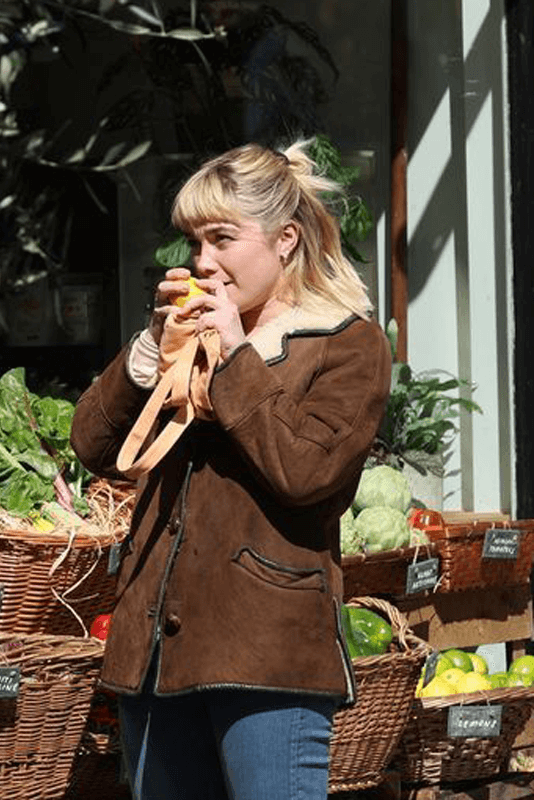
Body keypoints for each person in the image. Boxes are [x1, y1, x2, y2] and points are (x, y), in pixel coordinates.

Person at [70, 141, 392, 800]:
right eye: (194, 241)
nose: (202, 261)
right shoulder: (192, 341)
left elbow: (306, 473)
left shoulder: (347, 345)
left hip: (268, 657)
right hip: (156, 651)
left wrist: (238, 355)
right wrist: (151, 352)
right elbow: (94, 446)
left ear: (285, 240)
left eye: (221, 238)